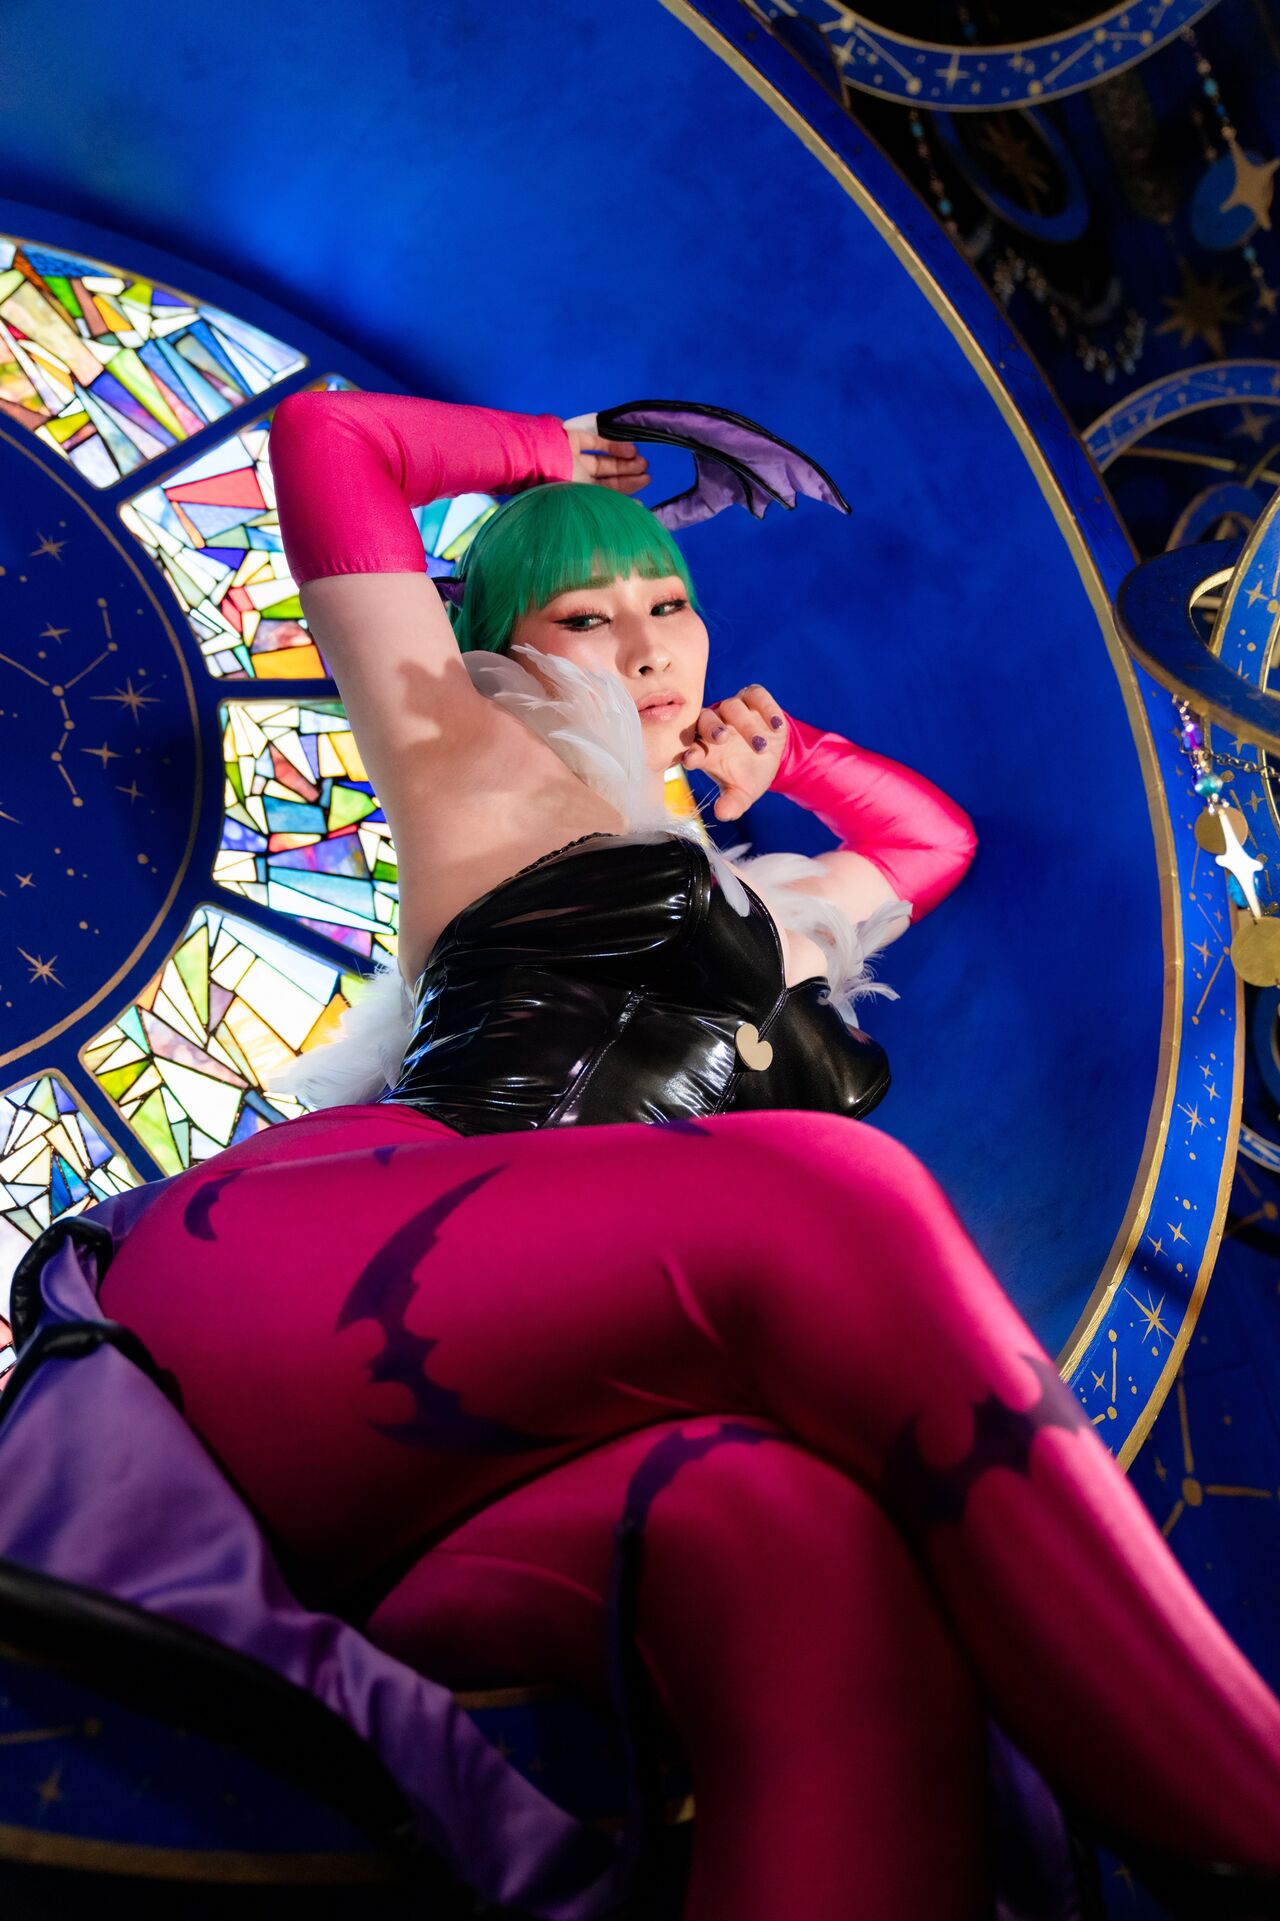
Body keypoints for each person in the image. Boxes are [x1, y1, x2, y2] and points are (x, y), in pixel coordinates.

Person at [82, 387, 1280, 1920]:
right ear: (507, 650)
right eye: (588, 617)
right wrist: (560, 451)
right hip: (322, 1296)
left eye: (671, 606)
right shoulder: (464, 752)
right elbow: (329, 448)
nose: (648, 648)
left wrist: (781, 763)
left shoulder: (770, 917)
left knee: (800, 1543)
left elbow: (931, 845)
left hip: (500, 1483)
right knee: (839, 1191)